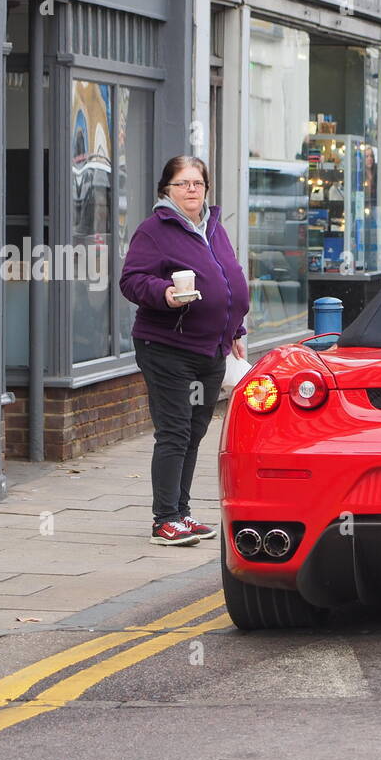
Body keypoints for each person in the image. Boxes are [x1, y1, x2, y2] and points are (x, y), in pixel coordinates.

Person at [120, 156, 248, 546]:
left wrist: (235, 328)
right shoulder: (155, 230)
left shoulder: (212, 226)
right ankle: (164, 520)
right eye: (183, 183)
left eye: (197, 183)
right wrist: (165, 294)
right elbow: (131, 280)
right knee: (174, 431)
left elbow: (228, 281)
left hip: (211, 349)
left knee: (194, 431)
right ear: (166, 190)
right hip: (168, 348)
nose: (192, 190)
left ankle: (182, 512)